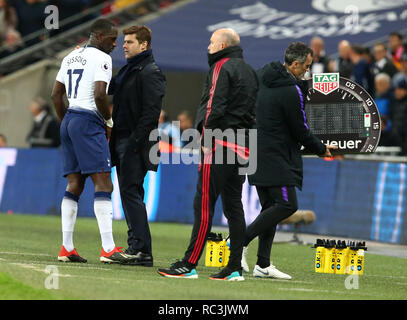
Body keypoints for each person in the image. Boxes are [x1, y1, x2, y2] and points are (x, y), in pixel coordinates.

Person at [158, 28, 258, 281]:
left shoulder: (221, 66)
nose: (208, 46)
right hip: (244, 146)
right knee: (234, 207)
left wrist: (206, 137)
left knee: (203, 204)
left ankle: (189, 264)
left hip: (221, 144)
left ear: (223, 45)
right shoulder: (249, 71)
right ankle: (234, 267)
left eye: (212, 42)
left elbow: (215, 104)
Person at [240, 42, 337, 279]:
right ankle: (238, 241)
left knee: (269, 208)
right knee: (286, 205)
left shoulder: (262, 77)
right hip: (278, 157)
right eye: (305, 66)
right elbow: (300, 129)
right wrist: (321, 148)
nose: (307, 71)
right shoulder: (291, 90)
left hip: (257, 151)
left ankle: (263, 265)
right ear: (294, 65)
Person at [51, 18, 134, 264]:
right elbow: (100, 94)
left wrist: (67, 123)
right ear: (98, 37)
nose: (115, 44)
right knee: (104, 183)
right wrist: (108, 122)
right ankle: (108, 248)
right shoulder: (102, 59)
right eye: (112, 39)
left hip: (70, 119)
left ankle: (67, 247)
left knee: (74, 183)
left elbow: (56, 95)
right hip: (88, 121)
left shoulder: (70, 56)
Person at [108, 25, 166, 267]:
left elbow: (151, 113)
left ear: (144, 45)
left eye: (130, 41)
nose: (124, 45)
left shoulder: (150, 72)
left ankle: (140, 250)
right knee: (130, 194)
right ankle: (139, 249)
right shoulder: (130, 69)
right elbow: (109, 91)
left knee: (131, 193)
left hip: (135, 143)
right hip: (122, 140)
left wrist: (133, 143)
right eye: (124, 41)